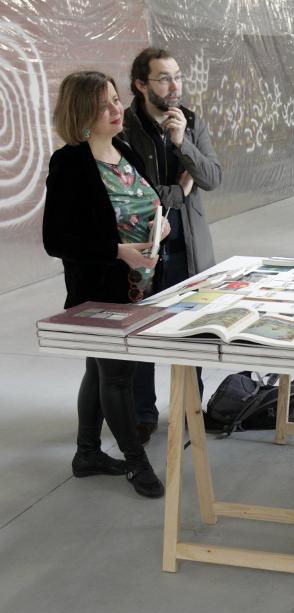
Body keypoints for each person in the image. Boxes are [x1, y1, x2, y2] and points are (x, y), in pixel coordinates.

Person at [42, 71, 169, 498]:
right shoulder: (71, 163)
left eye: (116, 100)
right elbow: (56, 240)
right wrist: (118, 251)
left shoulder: (124, 150)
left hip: (140, 285)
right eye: (104, 105)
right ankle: (137, 465)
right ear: (82, 112)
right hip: (99, 290)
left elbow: (148, 203)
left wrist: (160, 226)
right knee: (117, 377)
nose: (117, 110)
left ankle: (86, 453)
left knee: (98, 371)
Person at [123, 48, 223, 444]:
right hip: (142, 248)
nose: (175, 85)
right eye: (164, 78)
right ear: (141, 85)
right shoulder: (125, 127)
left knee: (191, 332)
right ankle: (143, 414)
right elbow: (139, 194)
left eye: (178, 76)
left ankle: (189, 408)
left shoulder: (192, 122)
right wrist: (178, 189)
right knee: (141, 333)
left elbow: (212, 177)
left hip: (188, 247)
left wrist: (183, 142)